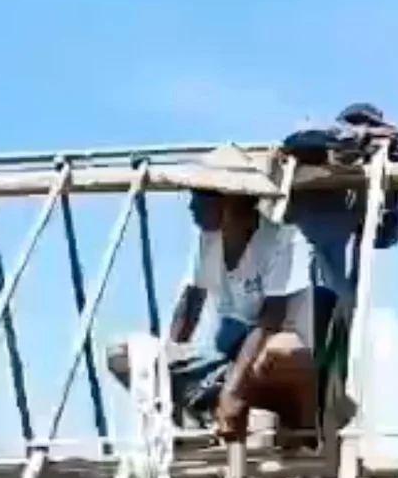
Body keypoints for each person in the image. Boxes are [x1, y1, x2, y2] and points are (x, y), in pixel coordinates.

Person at [106, 146, 321, 443]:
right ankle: (185, 416)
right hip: (225, 357)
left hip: (268, 359)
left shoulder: (286, 241)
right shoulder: (209, 241)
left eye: (199, 197)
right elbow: (190, 306)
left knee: (281, 350)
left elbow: (270, 320)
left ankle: (243, 402)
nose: (191, 206)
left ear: (230, 202)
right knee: (122, 353)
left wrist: (234, 389)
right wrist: (169, 362)